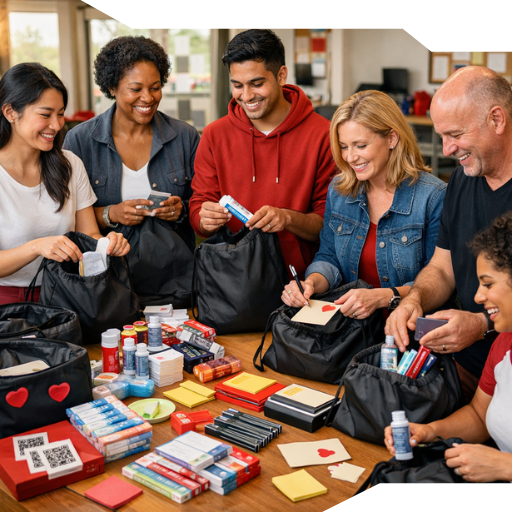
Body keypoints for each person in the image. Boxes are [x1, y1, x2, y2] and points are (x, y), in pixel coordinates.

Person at [385, 67, 512, 401]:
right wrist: (414, 299)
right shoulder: (461, 180)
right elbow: (443, 268)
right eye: (441, 136)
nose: (445, 150)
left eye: (455, 134)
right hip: (467, 362)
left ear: (496, 120)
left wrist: (482, 323)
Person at [282, 90, 446, 320]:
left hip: (406, 329)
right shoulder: (339, 190)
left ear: (392, 138)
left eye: (360, 145)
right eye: (344, 146)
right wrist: (310, 284)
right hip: (350, 330)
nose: (350, 157)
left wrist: (383, 297)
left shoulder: (432, 196)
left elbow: (439, 281)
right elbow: (328, 257)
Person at [64, 36, 200, 307]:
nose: (148, 98)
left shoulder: (184, 136)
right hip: (107, 286)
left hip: (175, 283)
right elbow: (65, 219)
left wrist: (181, 210)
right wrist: (110, 214)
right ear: (112, 87)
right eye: (135, 88)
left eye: (155, 87)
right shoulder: (80, 141)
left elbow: (201, 203)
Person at [188, 29, 335, 278]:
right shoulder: (214, 135)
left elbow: (330, 224)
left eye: (257, 84)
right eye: (237, 85)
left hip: (301, 283)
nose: (246, 96)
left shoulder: (324, 134)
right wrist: (205, 219)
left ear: (281, 75)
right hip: (231, 282)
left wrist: (287, 218)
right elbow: (197, 210)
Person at [384, 212, 512, 483]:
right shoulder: (503, 344)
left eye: (488, 284)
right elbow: (479, 415)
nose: (477, 296)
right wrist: (428, 432)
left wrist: (505, 466)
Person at [0, 63, 129, 306]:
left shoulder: (70, 165)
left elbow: (88, 233)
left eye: (60, 114)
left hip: (67, 295)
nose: (57, 125)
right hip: (7, 304)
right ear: (10, 112)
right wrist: (37, 247)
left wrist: (106, 243)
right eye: (45, 114)